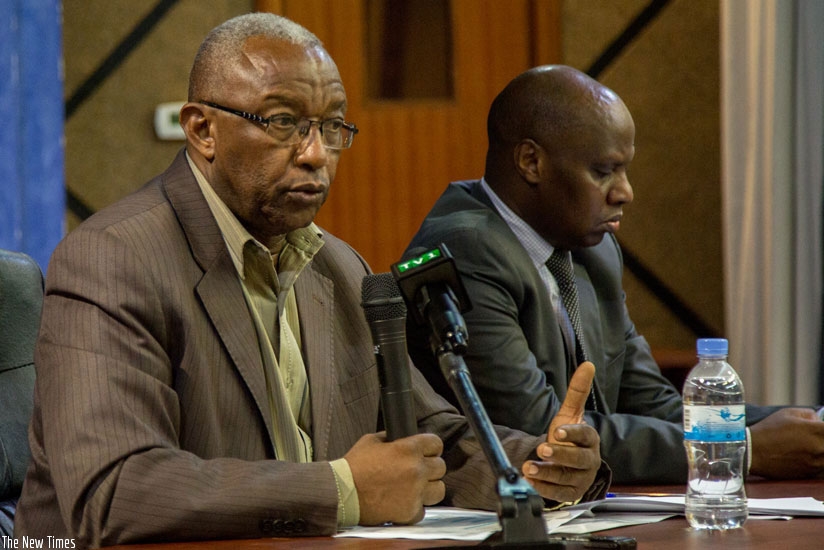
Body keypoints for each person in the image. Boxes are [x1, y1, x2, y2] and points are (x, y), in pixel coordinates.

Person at [13, 15, 609, 548]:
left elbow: (424, 433)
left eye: (331, 128)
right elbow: (113, 491)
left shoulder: (339, 267)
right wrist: (341, 489)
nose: (315, 154)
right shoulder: (113, 259)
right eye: (282, 122)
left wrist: (535, 468)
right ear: (201, 130)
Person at [402, 65, 824, 485]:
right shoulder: (466, 248)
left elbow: (650, 403)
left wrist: (804, 427)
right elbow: (544, 433)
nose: (625, 192)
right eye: (604, 171)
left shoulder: (594, 250)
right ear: (531, 162)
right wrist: (738, 448)